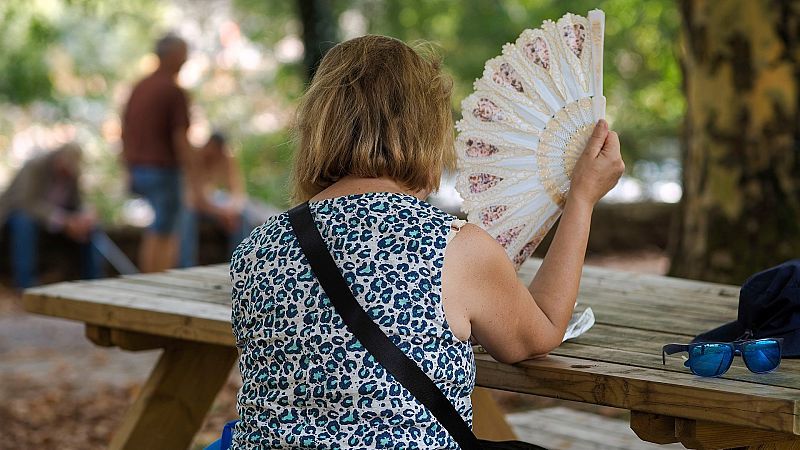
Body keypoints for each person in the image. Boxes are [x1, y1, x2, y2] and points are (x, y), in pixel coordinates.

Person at [229, 35, 623, 448]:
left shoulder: (256, 248)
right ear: (427, 128)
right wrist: (582, 198)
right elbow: (539, 333)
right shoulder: (453, 248)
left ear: (317, 127)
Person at [121, 33, 192, 273]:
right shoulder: (173, 91)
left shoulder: (139, 88)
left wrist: (127, 167)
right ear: (172, 55)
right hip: (163, 169)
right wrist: (192, 170)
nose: (186, 59)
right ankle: (158, 278)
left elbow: (124, 130)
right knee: (165, 230)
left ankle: (152, 276)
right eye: (183, 54)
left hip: (139, 169)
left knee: (160, 226)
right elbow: (180, 137)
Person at [0, 143, 102, 288]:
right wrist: (63, 220)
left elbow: (77, 202)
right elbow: (25, 202)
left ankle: (92, 281)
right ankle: (25, 284)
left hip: (54, 221)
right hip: (18, 215)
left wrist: (84, 215)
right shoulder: (35, 166)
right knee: (24, 222)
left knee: (90, 228)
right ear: (59, 159)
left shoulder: (72, 175)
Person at [179, 132, 248, 267]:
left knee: (241, 216)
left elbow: (237, 192)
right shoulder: (195, 158)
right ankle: (186, 265)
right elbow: (196, 200)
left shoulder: (226, 159)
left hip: (212, 202)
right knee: (186, 217)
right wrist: (221, 213)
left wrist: (231, 210)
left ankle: (240, 262)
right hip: (192, 203)